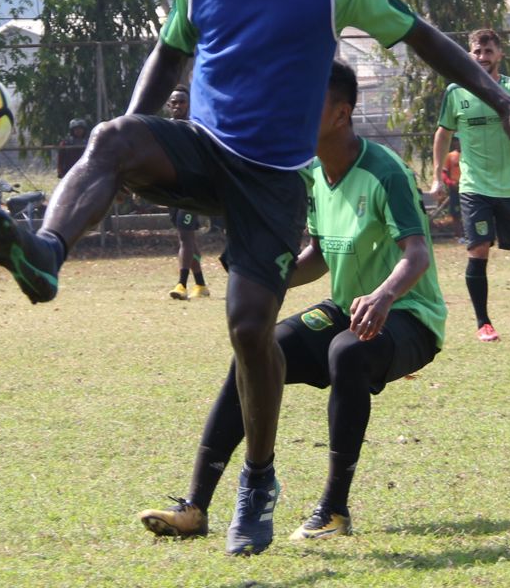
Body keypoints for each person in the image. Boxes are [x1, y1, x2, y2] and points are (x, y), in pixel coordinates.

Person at [0, 0, 510, 556]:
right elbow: (168, 55)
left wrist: (504, 104)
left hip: (275, 179)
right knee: (110, 137)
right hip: (205, 148)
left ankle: (257, 483)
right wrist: (139, 135)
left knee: (250, 329)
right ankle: (46, 254)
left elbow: (422, 37)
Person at [138, 60, 446, 544]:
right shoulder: (316, 175)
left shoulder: (385, 171)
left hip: (409, 316)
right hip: (348, 307)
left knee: (347, 351)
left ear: (341, 114)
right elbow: (320, 256)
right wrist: (260, 275)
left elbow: (418, 254)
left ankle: (334, 510)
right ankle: (195, 506)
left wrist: (385, 295)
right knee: (258, 347)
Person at [431, 30, 510, 342]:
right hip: (475, 187)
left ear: (500, 54)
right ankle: (483, 323)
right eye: (477, 51)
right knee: (478, 250)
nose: (483, 57)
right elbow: (443, 134)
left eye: (488, 51)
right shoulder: (456, 92)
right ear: (469, 55)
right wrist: (437, 176)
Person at [164, 85, 209, 300]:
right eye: (174, 102)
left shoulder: (195, 126)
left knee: (184, 236)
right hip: (172, 192)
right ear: (168, 106)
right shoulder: (165, 130)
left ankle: (181, 284)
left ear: (189, 104)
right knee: (187, 238)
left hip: (191, 191)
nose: (177, 105)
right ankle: (200, 285)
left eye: (181, 101)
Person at [439, 138, 462, 224]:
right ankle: (459, 235)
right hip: (455, 189)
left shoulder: (469, 155)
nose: (458, 143)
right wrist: (450, 182)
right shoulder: (450, 156)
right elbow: (444, 173)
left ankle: (469, 234)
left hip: (469, 188)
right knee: (456, 213)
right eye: (457, 141)